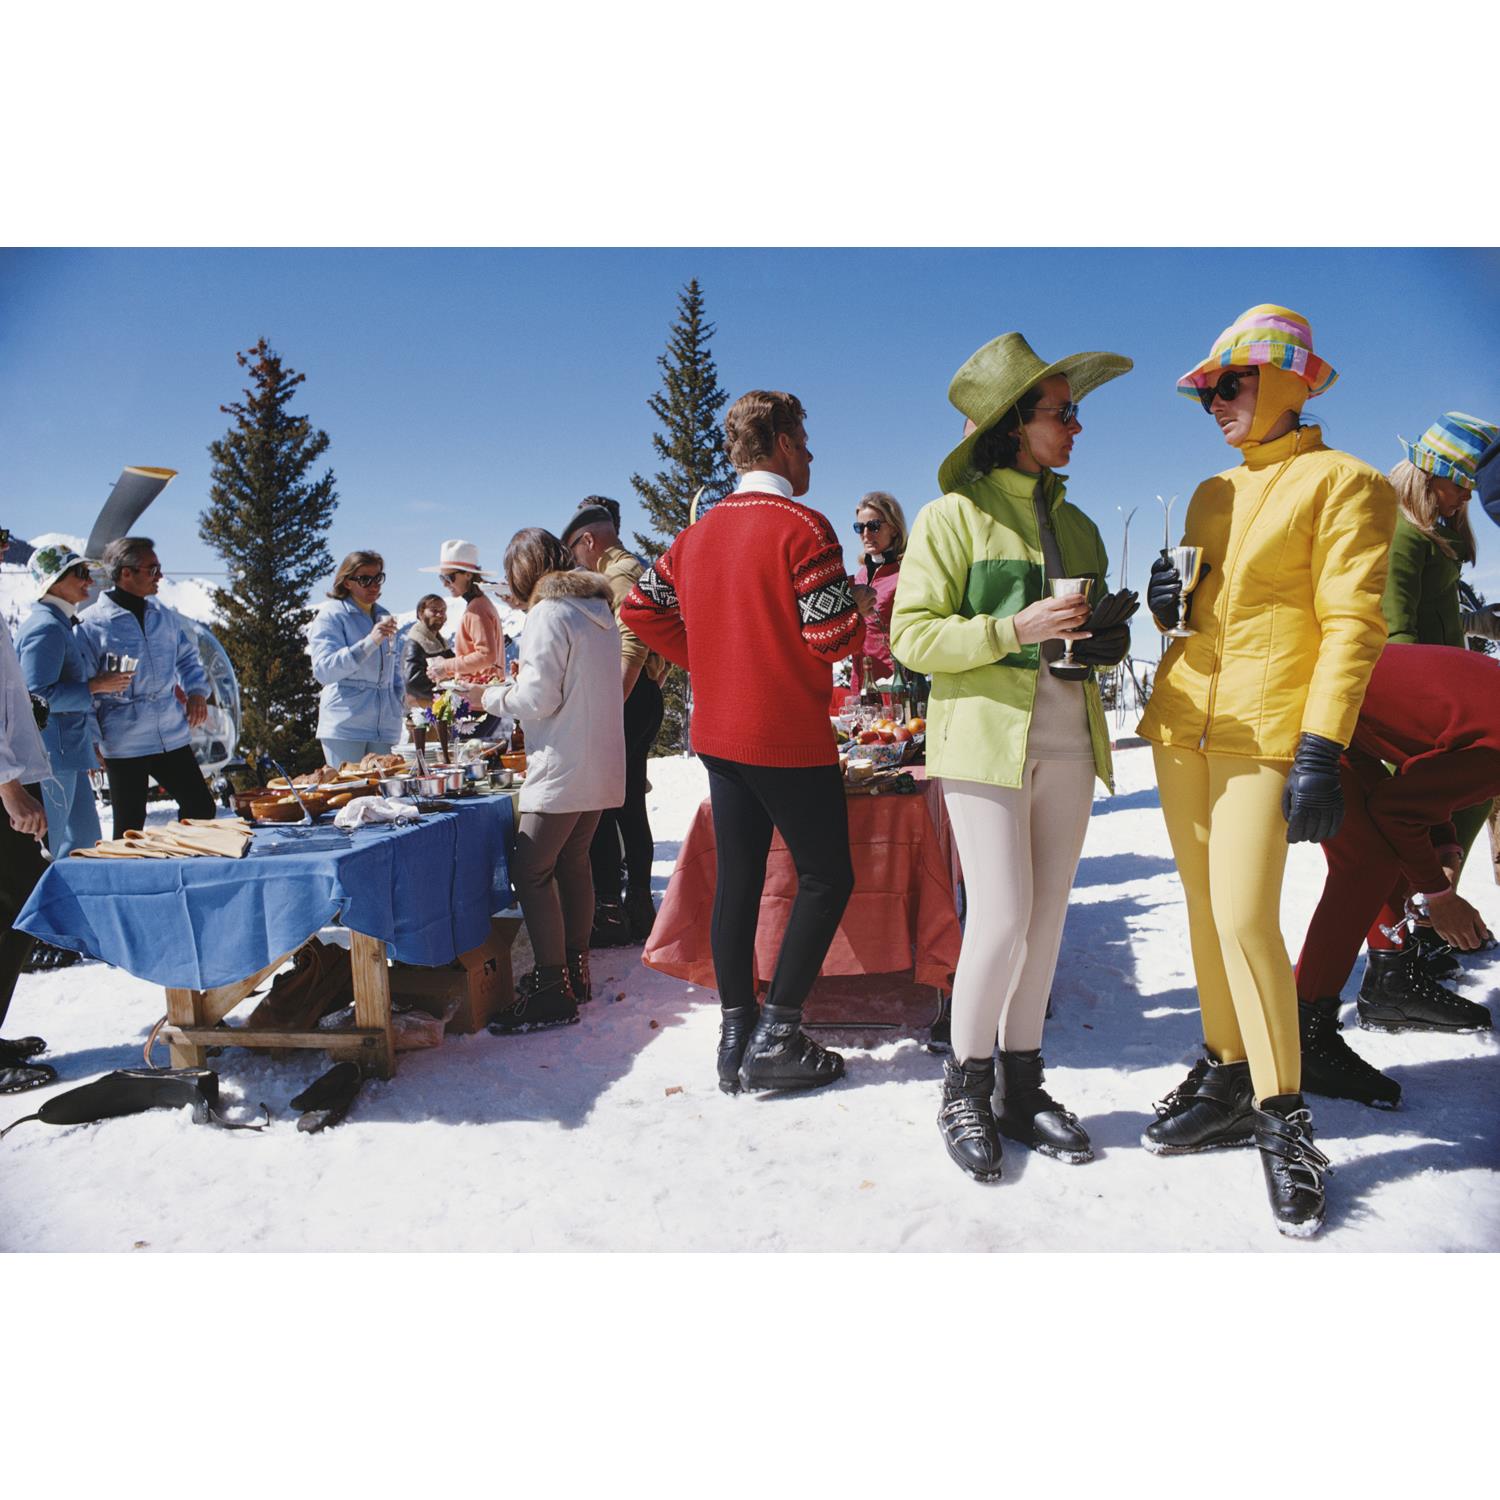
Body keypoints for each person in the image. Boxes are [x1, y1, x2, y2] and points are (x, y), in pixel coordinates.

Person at [1137, 304, 1396, 1238]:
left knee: (1247, 914)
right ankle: (1227, 1069)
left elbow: (1352, 626)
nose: (1214, 401)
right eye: (1207, 389)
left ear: (1284, 381)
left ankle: (1284, 1116)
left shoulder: (1349, 485)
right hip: (1182, 725)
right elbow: (1203, 614)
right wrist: (1172, 604)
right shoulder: (1211, 493)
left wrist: (1324, 743)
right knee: (1205, 912)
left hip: (1268, 730)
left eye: (1230, 383)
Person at [890, 332, 1133, 1183]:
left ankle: (1021, 1086)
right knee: (1000, 914)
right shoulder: (951, 518)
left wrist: (1110, 636)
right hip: (985, 742)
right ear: (1013, 424)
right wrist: (1011, 629)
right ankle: (966, 1084)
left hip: (1070, 738)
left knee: (1048, 919)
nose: (1075, 427)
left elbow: (1099, 639)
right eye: (1062, 414)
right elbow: (911, 635)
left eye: (1075, 413)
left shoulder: (1081, 523)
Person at [621, 389, 872, 1096]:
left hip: (720, 732)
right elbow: (831, 638)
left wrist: (712, 656)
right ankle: (779, 1033)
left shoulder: (694, 536)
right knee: (828, 876)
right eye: (807, 439)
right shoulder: (804, 527)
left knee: (740, 875)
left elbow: (640, 608)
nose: (813, 454)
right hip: (786, 731)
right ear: (785, 442)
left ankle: (738, 1027)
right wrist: (853, 615)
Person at [1294, 643, 1497, 1110]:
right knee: (1365, 865)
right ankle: (1304, 1038)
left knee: (1384, 857)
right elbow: (1398, 808)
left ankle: (1391, 981)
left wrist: (1443, 850)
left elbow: (1422, 761)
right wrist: (1440, 895)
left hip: (1338, 710)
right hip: (1310, 710)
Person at [480, 529, 625, 1030]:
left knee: (531, 869)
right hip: (600, 761)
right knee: (573, 861)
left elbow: (537, 700)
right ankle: (573, 974)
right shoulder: (598, 609)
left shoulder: (548, 611)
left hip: (563, 763)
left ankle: (551, 986)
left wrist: (491, 697)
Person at [1379, 412, 1500, 973]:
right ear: (1428, 474)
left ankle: (1426, 918)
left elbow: (1446, 618)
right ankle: (1412, 931)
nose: (1465, 495)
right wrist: (1417, 718)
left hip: (1448, 692)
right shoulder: (1403, 533)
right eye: (1459, 482)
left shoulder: (1440, 535)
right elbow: (1397, 630)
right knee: (1427, 815)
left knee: (1465, 805)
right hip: (1422, 703)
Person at [560, 496, 670, 947]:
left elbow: (633, 638)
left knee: (608, 805)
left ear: (588, 540)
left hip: (626, 697)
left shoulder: (619, 570)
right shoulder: (632, 565)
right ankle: (636, 907)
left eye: (574, 550)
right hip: (638, 695)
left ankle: (617, 910)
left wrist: (611, 705)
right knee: (626, 804)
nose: (575, 560)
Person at [75, 536, 216, 836]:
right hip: (123, 742)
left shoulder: (163, 617)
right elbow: (82, 687)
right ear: (126, 573)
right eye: (152, 569)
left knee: (202, 809)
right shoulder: (92, 625)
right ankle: (130, 882)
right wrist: (91, 739)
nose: (160, 576)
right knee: (130, 828)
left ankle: (188, 870)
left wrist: (196, 693)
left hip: (171, 734)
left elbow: (189, 660)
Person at [15, 546, 130, 858]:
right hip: (52, 758)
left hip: (66, 756)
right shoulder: (47, 628)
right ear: (53, 582)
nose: (89, 581)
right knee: (52, 850)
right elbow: (35, 696)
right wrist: (94, 686)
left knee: (84, 845)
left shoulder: (56, 624)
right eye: (80, 573)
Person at [0, 525, 58, 1094]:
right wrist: (8, 785)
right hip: (3, 784)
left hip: (14, 773)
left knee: (17, 910)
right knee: (12, 909)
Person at [306, 550, 406, 768]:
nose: (374, 585)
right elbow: (324, 671)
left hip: (385, 727)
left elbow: (395, 668)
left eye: (378, 578)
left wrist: (398, 703)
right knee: (351, 794)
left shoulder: (383, 615)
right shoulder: (331, 615)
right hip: (346, 726)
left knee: (384, 797)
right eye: (364, 579)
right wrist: (370, 641)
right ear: (347, 582)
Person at [847, 490, 909, 702]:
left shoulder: (907, 574)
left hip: (895, 689)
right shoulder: (858, 577)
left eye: (873, 526)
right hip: (860, 688)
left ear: (893, 528)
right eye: (859, 527)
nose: (865, 534)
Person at [403, 592, 450, 757]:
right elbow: (412, 681)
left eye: (443, 611)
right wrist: (443, 691)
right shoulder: (415, 642)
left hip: (437, 712)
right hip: (425, 712)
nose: (439, 614)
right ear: (420, 613)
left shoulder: (439, 642)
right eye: (434, 610)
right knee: (426, 757)